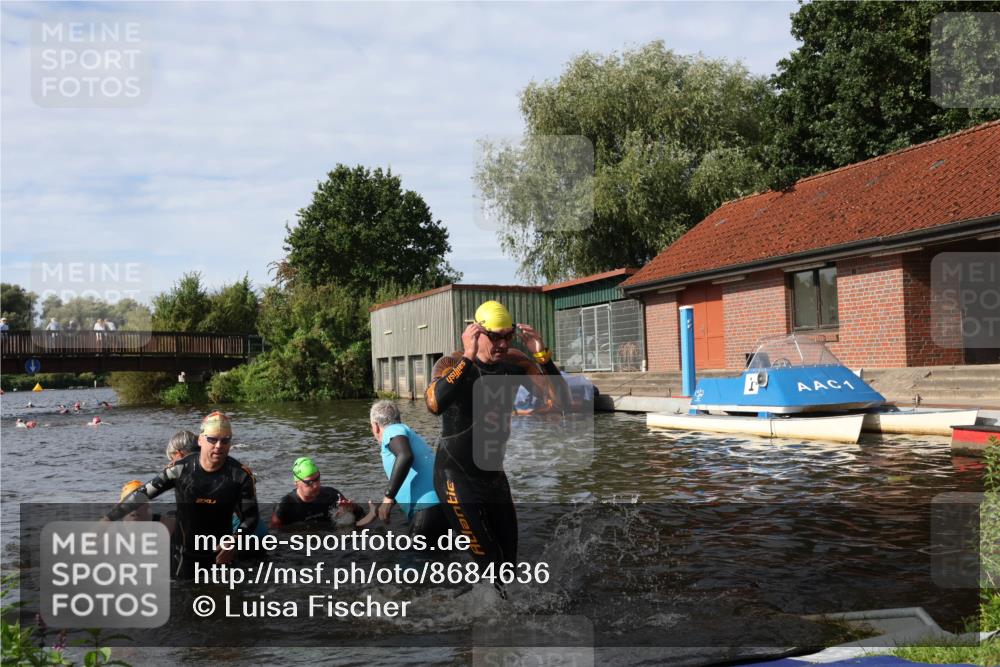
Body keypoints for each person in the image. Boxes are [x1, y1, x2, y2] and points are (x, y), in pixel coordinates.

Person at [425, 300, 568, 573]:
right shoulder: (451, 362)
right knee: (489, 564)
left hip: (493, 477)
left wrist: (543, 357)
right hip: (455, 478)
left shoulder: (515, 364)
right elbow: (434, 404)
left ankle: (498, 611)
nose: (503, 344)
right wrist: (468, 357)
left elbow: (561, 403)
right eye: (495, 337)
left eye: (508, 336)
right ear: (477, 333)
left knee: (508, 564)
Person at [104, 411, 260, 577]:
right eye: (212, 439)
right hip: (183, 557)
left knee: (223, 599)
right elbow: (142, 493)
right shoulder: (180, 469)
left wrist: (235, 541)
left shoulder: (240, 475)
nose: (218, 445)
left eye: (225, 440)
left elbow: (251, 518)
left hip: (220, 557)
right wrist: (107, 519)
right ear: (200, 440)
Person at [369, 400, 448, 540]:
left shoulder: (392, 430)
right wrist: (382, 507)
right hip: (442, 506)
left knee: (411, 560)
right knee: (436, 557)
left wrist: (388, 498)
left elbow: (405, 456)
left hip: (427, 507)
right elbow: (406, 473)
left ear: (375, 426)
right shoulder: (408, 434)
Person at [269, 457, 372, 530]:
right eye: (309, 482)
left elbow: (360, 520)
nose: (316, 485)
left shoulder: (331, 495)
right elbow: (274, 536)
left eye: (317, 479)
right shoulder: (285, 506)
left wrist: (352, 509)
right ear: (297, 483)